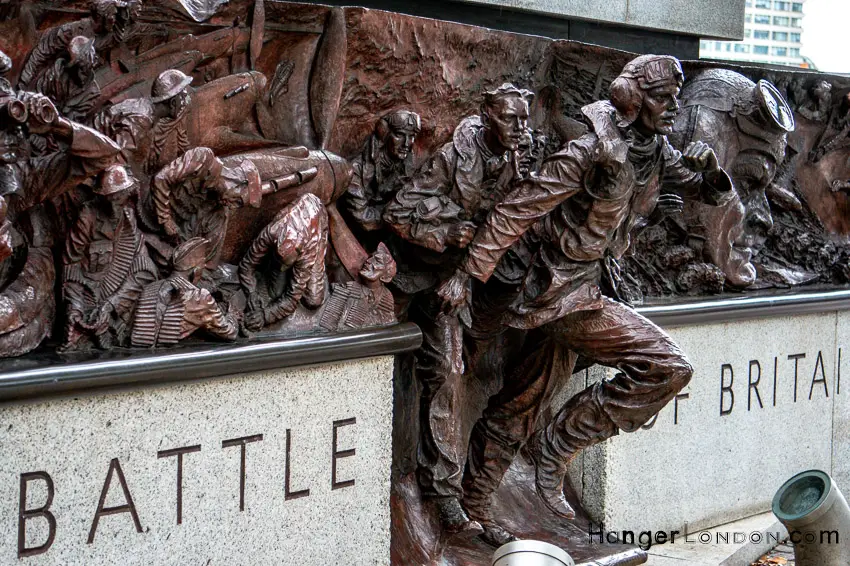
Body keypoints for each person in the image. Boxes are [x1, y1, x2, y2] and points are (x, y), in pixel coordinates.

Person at [438, 55, 734, 545]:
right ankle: (559, 445)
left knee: (521, 404)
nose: (674, 107)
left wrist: (712, 169)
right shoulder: (589, 150)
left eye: (677, 97)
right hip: (562, 294)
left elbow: (705, 191)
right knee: (667, 367)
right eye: (664, 97)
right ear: (634, 99)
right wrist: (468, 275)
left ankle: (474, 507)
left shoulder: (654, 149)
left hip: (592, 285)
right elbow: (518, 208)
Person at [383, 83, 535, 536]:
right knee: (437, 373)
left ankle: (445, 494)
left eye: (524, 120)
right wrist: (447, 231)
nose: (520, 128)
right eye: (511, 119)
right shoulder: (453, 157)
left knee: (450, 373)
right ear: (487, 115)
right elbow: (398, 210)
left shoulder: (515, 158)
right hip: (415, 274)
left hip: (457, 284)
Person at [62, 164, 157, 350]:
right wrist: (75, 308)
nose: (114, 206)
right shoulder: (87, 217)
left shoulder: (129, 219)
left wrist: (112, 305)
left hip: (117, 303)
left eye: (119, 199)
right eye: (110, 199)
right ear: (101, 196)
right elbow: (71, 266)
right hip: (88, 299)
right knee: (75, 337)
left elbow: (144, 270)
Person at [238, 193, 328, 332]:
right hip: (290, 230)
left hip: (316, 217)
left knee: (313, 300)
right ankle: (277, 266)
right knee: (275, 293)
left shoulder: (307, 251)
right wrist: (251, 292)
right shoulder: (272, 232)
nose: (282, 267)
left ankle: (312, 271)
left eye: (286, 265)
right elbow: (246, 265)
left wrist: (264, 316)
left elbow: (292, 298)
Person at [131, 237, 237, 346]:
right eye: (203, 263)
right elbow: (230, 333)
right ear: (195, 270)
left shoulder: (150, 288)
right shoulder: (200, 298)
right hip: (171, 356)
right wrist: (232, 315)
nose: (204, 266)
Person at [343, 110, 421, 234]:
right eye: (400, 135)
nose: (406, 143)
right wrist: (394, 217)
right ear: (384, 135)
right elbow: (362, 217)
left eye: (411, 136)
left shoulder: (409, 167)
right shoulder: (356, 169)